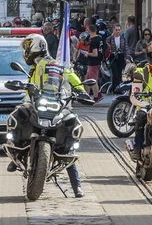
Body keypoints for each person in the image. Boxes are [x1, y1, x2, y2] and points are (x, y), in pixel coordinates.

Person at [6, 34, 91, 198]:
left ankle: (77, 185)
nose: (26, 51)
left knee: (69, 141)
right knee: (17, 116)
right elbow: (31, 88)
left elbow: (70, 77)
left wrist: (81, 92)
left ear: (36, 47)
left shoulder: (52, 65)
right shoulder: (37, 67)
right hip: (36, 106)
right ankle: (16, 154)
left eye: (28, 46)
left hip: (55, 106)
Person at [107, 24, 131, 93]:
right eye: (116, 30)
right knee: (115, 73)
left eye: (119, 30)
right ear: (113, 30)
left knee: (120, 73)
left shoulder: (123, 39)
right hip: (113, 57)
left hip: (121, 57)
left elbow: (126, 49)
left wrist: (127, 58)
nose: (117, 31)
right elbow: (107, 49)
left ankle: (119, 89)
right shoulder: (109, 39)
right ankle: (115, 89)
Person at [85, 24, 103, 102]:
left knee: (93, 80)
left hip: (93, 62)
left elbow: (95, 54)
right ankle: (86, 95)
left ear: (89, 31)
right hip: (98, 61)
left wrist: (87, 54)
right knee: (87, 79)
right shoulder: (100, 39)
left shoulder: (93, 41)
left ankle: (96, 96)